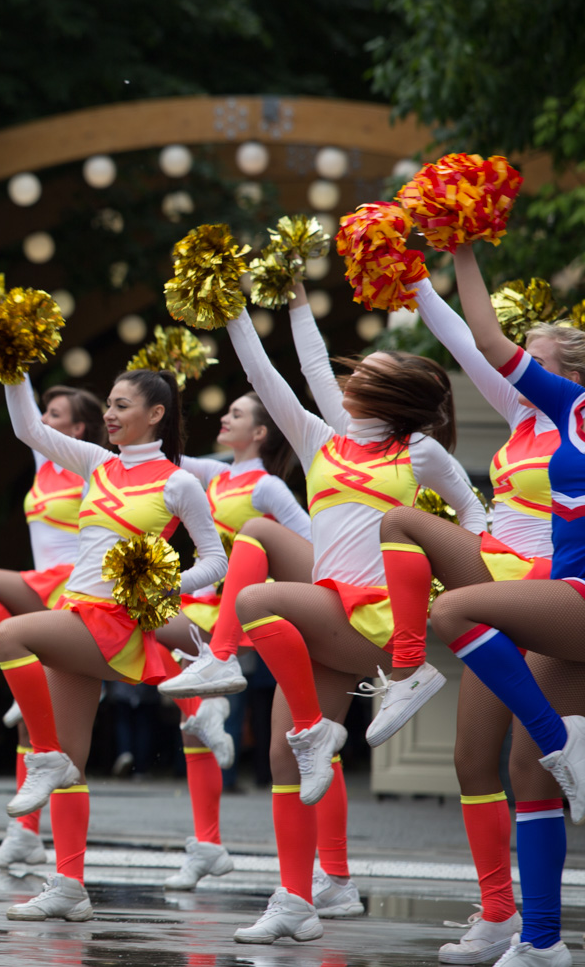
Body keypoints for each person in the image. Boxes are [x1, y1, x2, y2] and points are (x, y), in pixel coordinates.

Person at [209, 288, 484, 944]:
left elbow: (474, 514)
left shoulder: (418, 453)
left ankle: (313, 729)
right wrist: (244, 309)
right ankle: (296, 899)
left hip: (377, 624)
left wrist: (487, 571)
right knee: (281, 757)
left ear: (386, 400)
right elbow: (276, 374)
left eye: (369, 373)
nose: (351, 374)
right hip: (328, 614)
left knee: (257, 599)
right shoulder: (320, 439)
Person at [373, 272, 575, 963]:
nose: (521, 364)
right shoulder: (529, 412)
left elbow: (484, 341)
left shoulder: (571, 412)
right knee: (484, 762)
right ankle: (514, 923)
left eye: (537, 357)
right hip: (503, 584)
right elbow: (469, 340)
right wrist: (421, 273)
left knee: (533, 760)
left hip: (549, 594)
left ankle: (542, 933)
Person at [0, 367, 226, 925]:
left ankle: (41, 754)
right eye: (109, 406)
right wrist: (13, 368)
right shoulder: (97, 464)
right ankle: (70, 886)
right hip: (78, 609)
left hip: (116, 620)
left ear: (157, 414)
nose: (110, 415)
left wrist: (168, 584)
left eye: (122, 406)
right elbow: (28, 427)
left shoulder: (178, 483)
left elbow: (215, 559)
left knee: (11, 633)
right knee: (74, 764)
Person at [422, 241, 585, 967]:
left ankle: (563, 741)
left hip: (574, 595)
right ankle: (544, 940)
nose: (531, 362)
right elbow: (484, 341)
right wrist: (460, 249)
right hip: (565, 604)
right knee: (525, 774)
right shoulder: (568, 403)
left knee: (452, 612)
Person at [154, 387, 309, 891]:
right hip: (208, 609)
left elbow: (308, 543)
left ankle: (330, 870)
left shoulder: (266, 488)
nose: (223, 416)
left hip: (240, 616)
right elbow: (163, 458)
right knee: (192, 731)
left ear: (260, 433)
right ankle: (207, 843)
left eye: (236, 413)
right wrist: (164, 395)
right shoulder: (219, 476)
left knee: (144, 615)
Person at [0, 384, 105, 869]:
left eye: (55, 413)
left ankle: (48, 849)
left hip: (72, 589)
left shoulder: (93, 466)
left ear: (78, 429)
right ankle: (23, 836)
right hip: (39, 584)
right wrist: (13, 360)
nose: (43, 417)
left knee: (56, 732)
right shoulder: (43, 463)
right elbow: (26, 418)